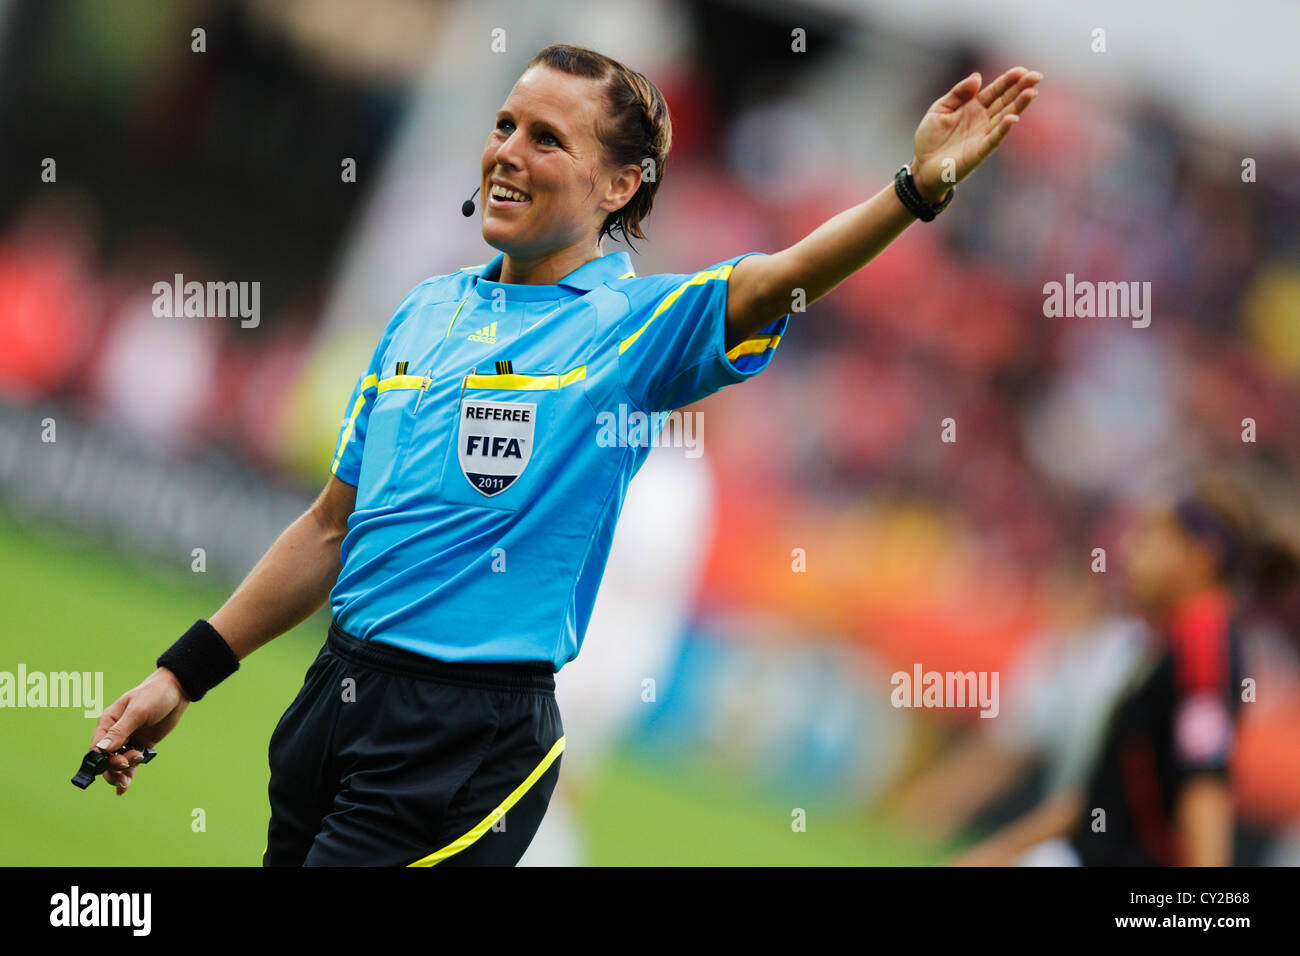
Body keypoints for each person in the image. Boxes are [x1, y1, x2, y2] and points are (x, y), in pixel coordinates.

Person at [85, 43, 1042, 866]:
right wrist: (182, 673)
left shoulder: (635, 325)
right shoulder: (429, 310)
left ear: (621, 185)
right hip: (333, 699)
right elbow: (332, 524)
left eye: (548, 139)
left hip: (466, 740)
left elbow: (781, 280)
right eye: (506, 124)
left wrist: (917, 188)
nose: (508, 151)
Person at [953, 496, 1248, 866]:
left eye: (1152, 539)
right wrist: (993, 855)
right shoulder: (1164, 646)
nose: (1130, 551)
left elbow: (1204, 786)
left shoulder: (1204, 649)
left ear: (1203, 556)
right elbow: (1100, 797)